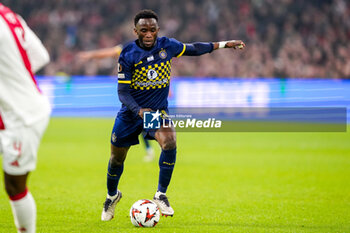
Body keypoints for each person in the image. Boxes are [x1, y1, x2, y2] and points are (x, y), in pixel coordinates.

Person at [101, 9, 245, 221]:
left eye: (152, 30)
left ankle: (160, 194)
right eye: (143, 30)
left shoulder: (167, 46)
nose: (148, 34)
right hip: (131, 114)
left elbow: (195, 49)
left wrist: (224, 44)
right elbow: (122, 92)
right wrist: (138, 110)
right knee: (116, 159)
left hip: (156, 112)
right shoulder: (128, 54)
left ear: (157, 30)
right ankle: (112, 196)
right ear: (135, 31)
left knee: (169, 141)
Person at [0, 3, 50, 233]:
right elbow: (40, 56)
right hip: (13, 108)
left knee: (14, 185)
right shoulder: (8, 15)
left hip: (22, 116)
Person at [77, 46, 156, 162]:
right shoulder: (131, 48)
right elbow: (110, 52)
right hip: (138, 92)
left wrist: (90, 55)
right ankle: (153, 149)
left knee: (145, 122)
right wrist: (91, 55)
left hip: (147, 92)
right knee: (143, 122)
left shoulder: (152, 49)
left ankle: (157, 147)